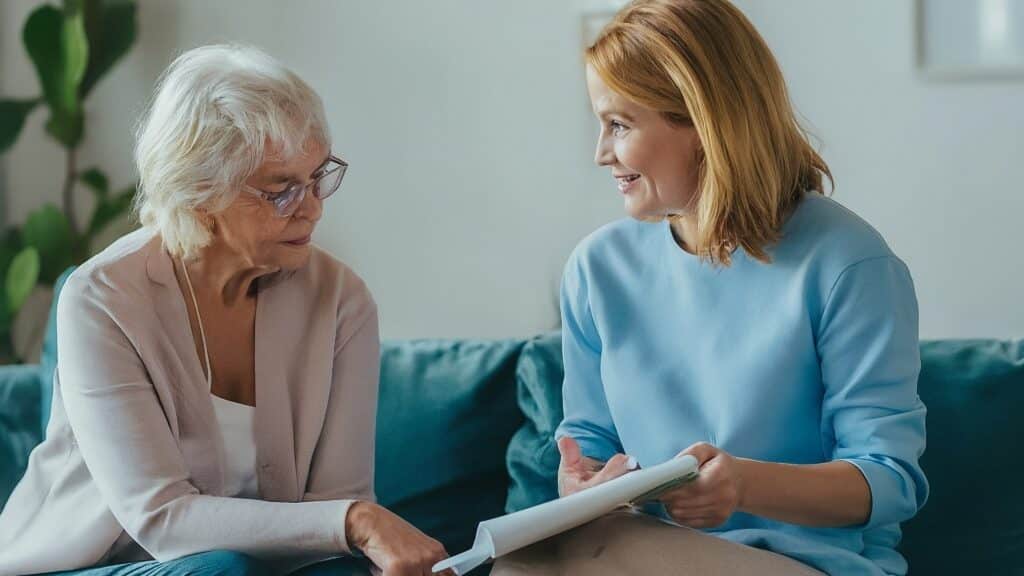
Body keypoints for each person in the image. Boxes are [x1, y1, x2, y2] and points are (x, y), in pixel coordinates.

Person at [493, 1, 927, 574]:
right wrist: (582, 481)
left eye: (619, 125)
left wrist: (742, 485)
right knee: (535, 560)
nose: (601, 153)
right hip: (633, 550)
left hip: (809, 562)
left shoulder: (849, 264)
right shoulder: (597, 269)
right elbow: (591, 437)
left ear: (702, 123)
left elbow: (889, 480)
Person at [0, 45, 449, 576]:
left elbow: (337, 504)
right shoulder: (102, 297)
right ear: (198, 194)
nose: (312, 206)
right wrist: (355, 521)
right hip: (91, 565)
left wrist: (364, 535)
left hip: (250, 567)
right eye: (280, 190)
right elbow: (162, 518)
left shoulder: (342, 301)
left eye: (317, 177)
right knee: (220, 570)